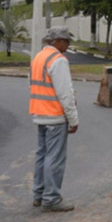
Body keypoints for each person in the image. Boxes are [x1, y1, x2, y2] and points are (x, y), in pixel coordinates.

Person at [29, 26, 79, 212]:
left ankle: (39, 195)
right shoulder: (58, 61)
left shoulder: (38, 58)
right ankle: (52, 198)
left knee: (42, 156)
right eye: (65, 41)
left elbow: (32, 85)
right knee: (55, 159)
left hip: (40, 114)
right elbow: (65, 94)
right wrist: (73, 120)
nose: (67, 44)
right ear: (56, 41)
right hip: (55, 117)